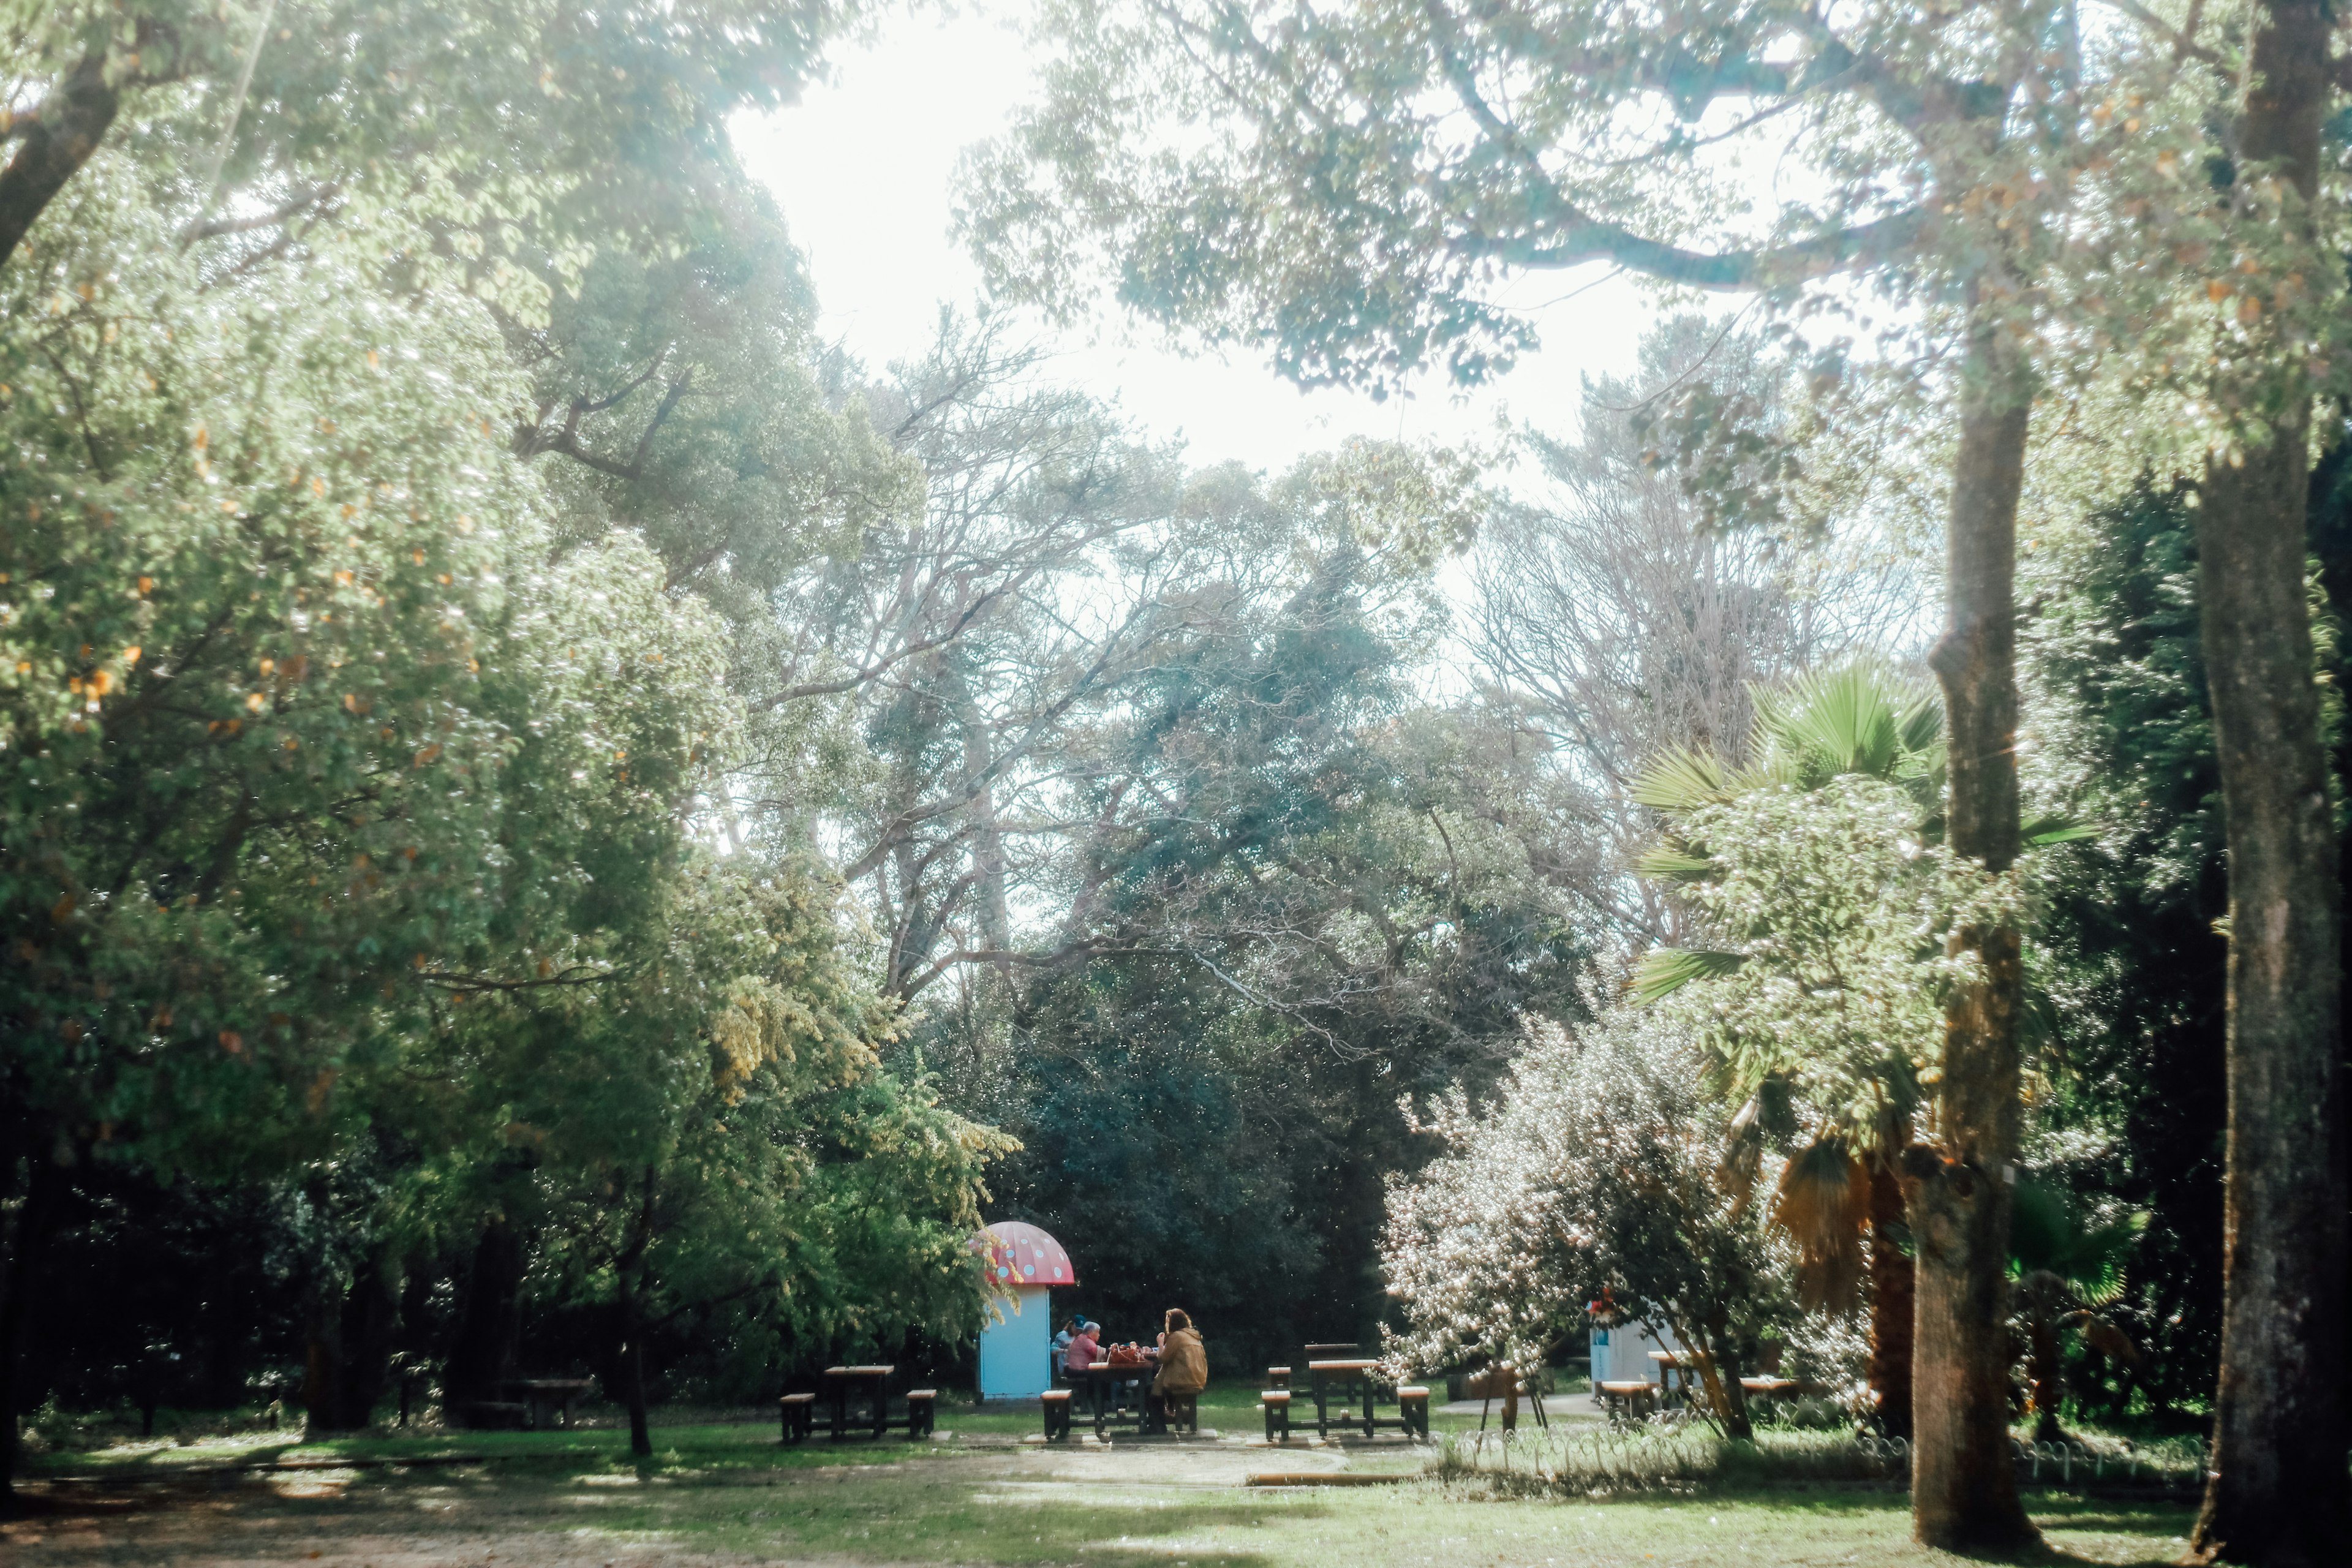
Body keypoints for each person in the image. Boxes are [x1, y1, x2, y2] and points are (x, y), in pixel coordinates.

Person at [1151, 1308, 1207, 1427]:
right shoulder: (1194, 1336)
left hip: (1183, 1379)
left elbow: (1163, 1359)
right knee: (1161, 1374)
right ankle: (1170, 1411)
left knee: (1154, 1388)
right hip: (1197, 1379)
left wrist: (1160, 1343)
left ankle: (1158, 1425)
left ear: (1172, 1323)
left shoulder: (1177, 1336)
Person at [1052, 1316, 1080, 1381]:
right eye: (1077, 1328)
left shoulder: (1080, 1337)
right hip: (1066, 1369)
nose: (1078, 1331)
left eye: (1080, 1329)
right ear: (1072, 1325)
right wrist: (1065, 1351)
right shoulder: (1063, 1335)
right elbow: (1052, 1349)